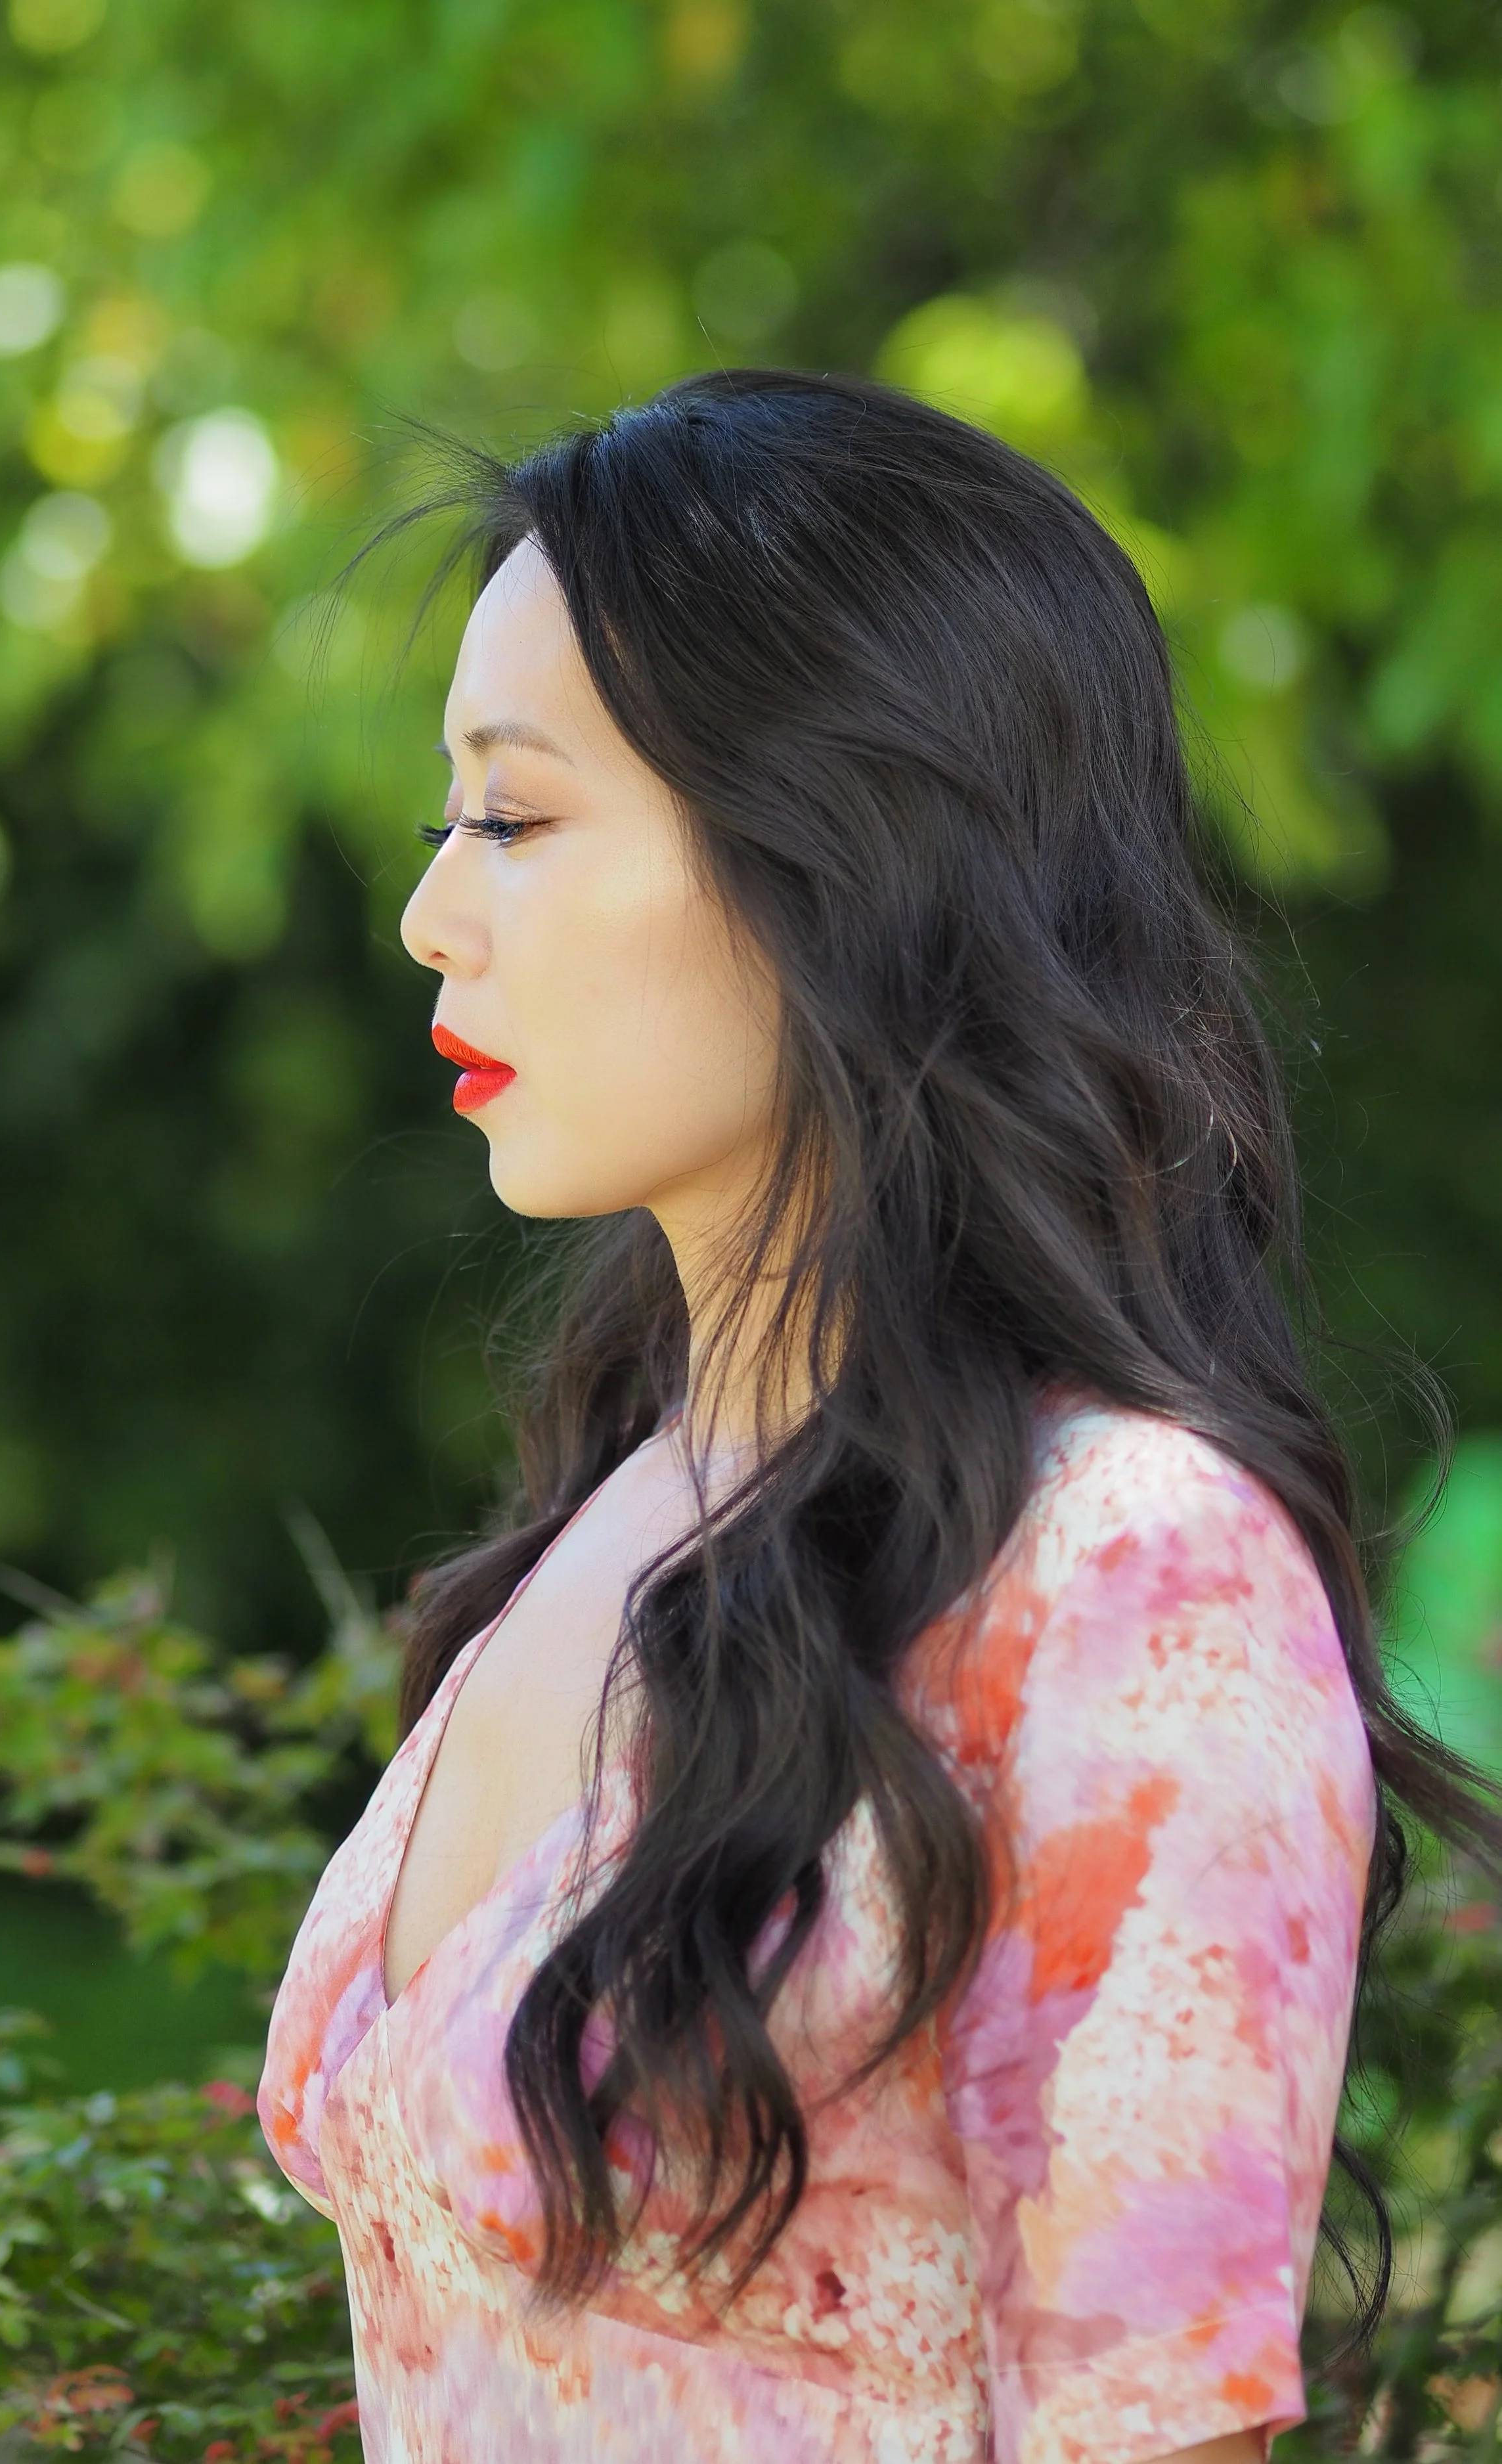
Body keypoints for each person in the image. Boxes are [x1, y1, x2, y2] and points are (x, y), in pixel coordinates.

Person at [257, 370, 1496, 2464]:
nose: (431, 914)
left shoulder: (1126, 1567)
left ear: (835, 847)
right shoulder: (617, 1512)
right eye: (442, 822)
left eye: (517, 815)